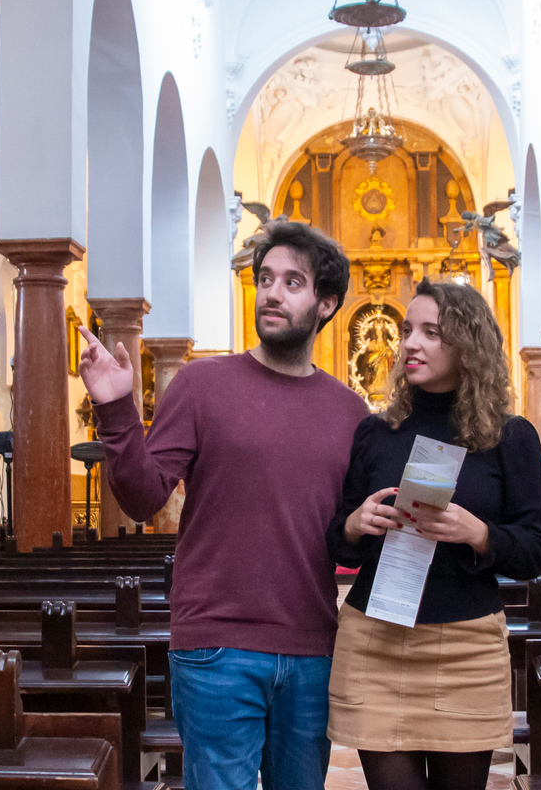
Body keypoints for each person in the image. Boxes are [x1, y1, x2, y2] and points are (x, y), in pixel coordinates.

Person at [80, 220, 368, 790]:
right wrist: (117, 412)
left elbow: (349, 536)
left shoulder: (351, 412)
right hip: (216, 645)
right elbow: (142, 498)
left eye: (292, 282)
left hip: (312, 647)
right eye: (265, 279)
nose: (272, 293)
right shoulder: (201, 384)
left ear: (326, 303)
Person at [327, 279, 541, 790]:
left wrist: (479, 534)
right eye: (408, 330)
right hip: (376, 642)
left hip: (466, 649)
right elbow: (336, 544)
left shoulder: (509, 437)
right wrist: (355, 524)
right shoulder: (376, 432)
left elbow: (535, 550)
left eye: (432, 332)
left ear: (467, 343)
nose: (410, 343)